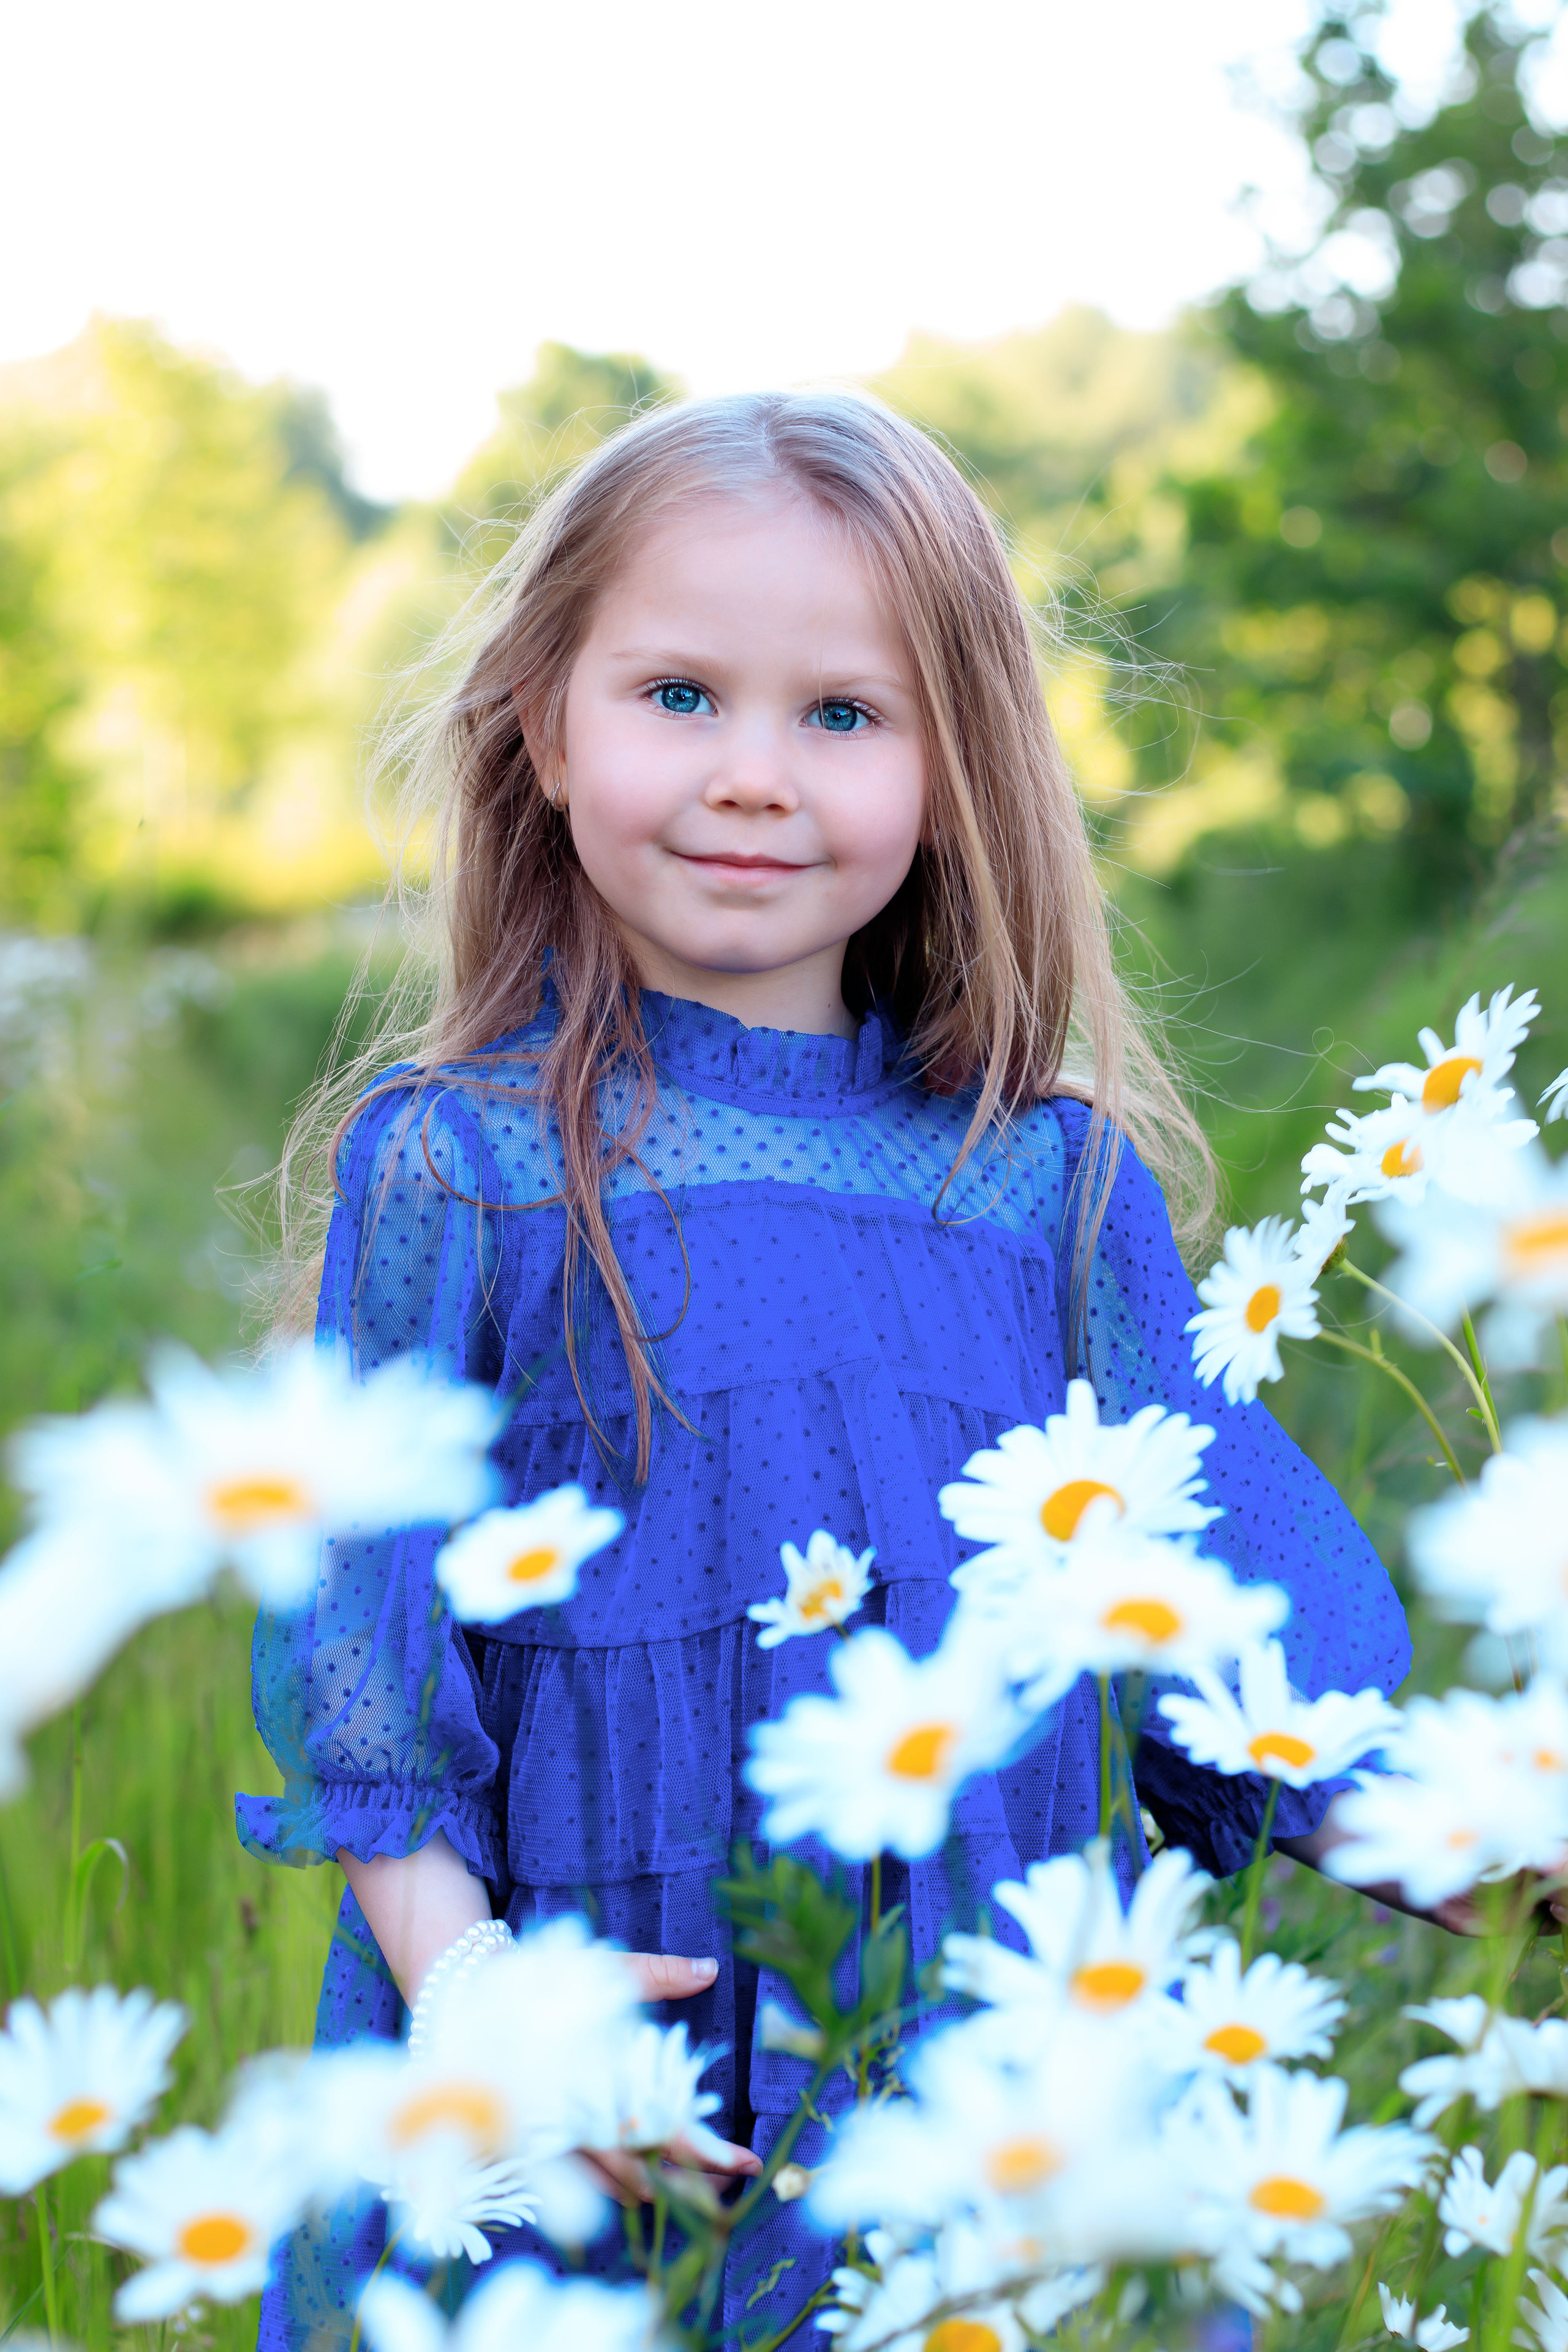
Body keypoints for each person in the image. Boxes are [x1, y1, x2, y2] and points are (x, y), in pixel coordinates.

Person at [238, 390, 1411, 2349]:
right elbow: (361, 1664)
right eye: (679, 694)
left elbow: (1211, 1575)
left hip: (980, 2106)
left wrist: (1432, 1823)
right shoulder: (465, 1166)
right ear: (543, 718)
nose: (754, 776)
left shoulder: (1040, 1188)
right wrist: (483, 2010)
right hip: (591, 2113)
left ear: (956, 771)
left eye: (843, 716)